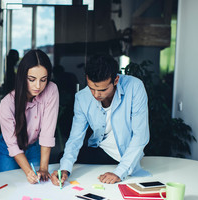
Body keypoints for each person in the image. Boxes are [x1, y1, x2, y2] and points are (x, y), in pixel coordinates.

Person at [51, 54, 150, 186]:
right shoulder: (82, 98)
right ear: (87, 78)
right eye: (92, 88)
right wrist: (64, 169)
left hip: (126, 153)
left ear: (116, 80)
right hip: (101, 150)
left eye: (103, 90)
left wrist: (119, 172)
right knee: (63, 159)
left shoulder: (135, 87)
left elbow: (141, 135)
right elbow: (75, 137)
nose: (96, 94)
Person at [0, 49, 59, 184]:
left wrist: (43, 168)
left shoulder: (51, 90)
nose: (38, 86)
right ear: (22, 76)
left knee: (38, 185)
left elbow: (47, 132)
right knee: (7, 187)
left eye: (43, 80)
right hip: (8, 149)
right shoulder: (7, 103)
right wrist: (29, 172)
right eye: (31, 79)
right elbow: (13, 145)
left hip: (34, 146)